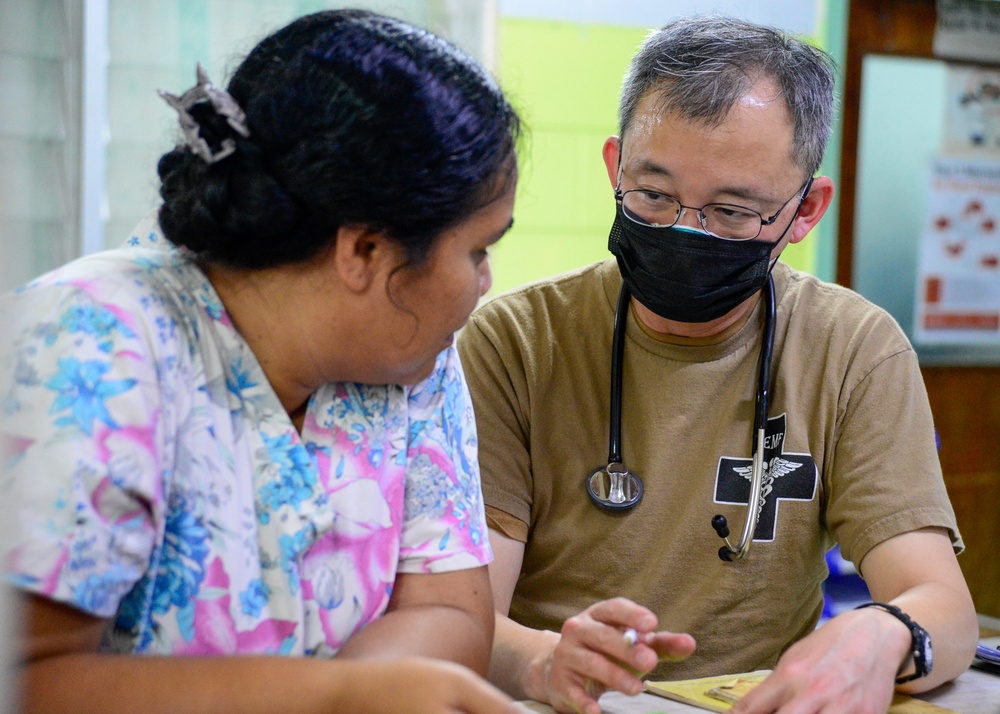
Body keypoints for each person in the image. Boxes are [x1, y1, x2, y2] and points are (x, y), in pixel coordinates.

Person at [1, 9, 524, 714]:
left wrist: (368, 694)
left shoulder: (410, 358)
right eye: (478, 250)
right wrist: (331, 697)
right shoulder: (88, 341)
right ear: (365, 252)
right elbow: (28, 679)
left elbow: (455, 613)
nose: (484, 283)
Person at [457, 14, 979, 714]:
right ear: (615, 169)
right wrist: (543, 659)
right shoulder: (516, 343)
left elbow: (943, 607)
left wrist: (883, 636)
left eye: (732, 212)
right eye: (653, 194)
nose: (684, 230)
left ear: (805, 210)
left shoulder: (853, 349)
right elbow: (460, 617)